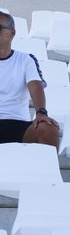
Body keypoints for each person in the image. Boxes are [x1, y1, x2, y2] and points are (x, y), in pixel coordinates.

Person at [0, 11, 60, 148]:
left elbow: (35, 87)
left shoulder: (25, 60)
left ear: (12, 33)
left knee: (48, 128)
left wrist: (41, 113)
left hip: (18, 124)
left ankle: (48, 169)